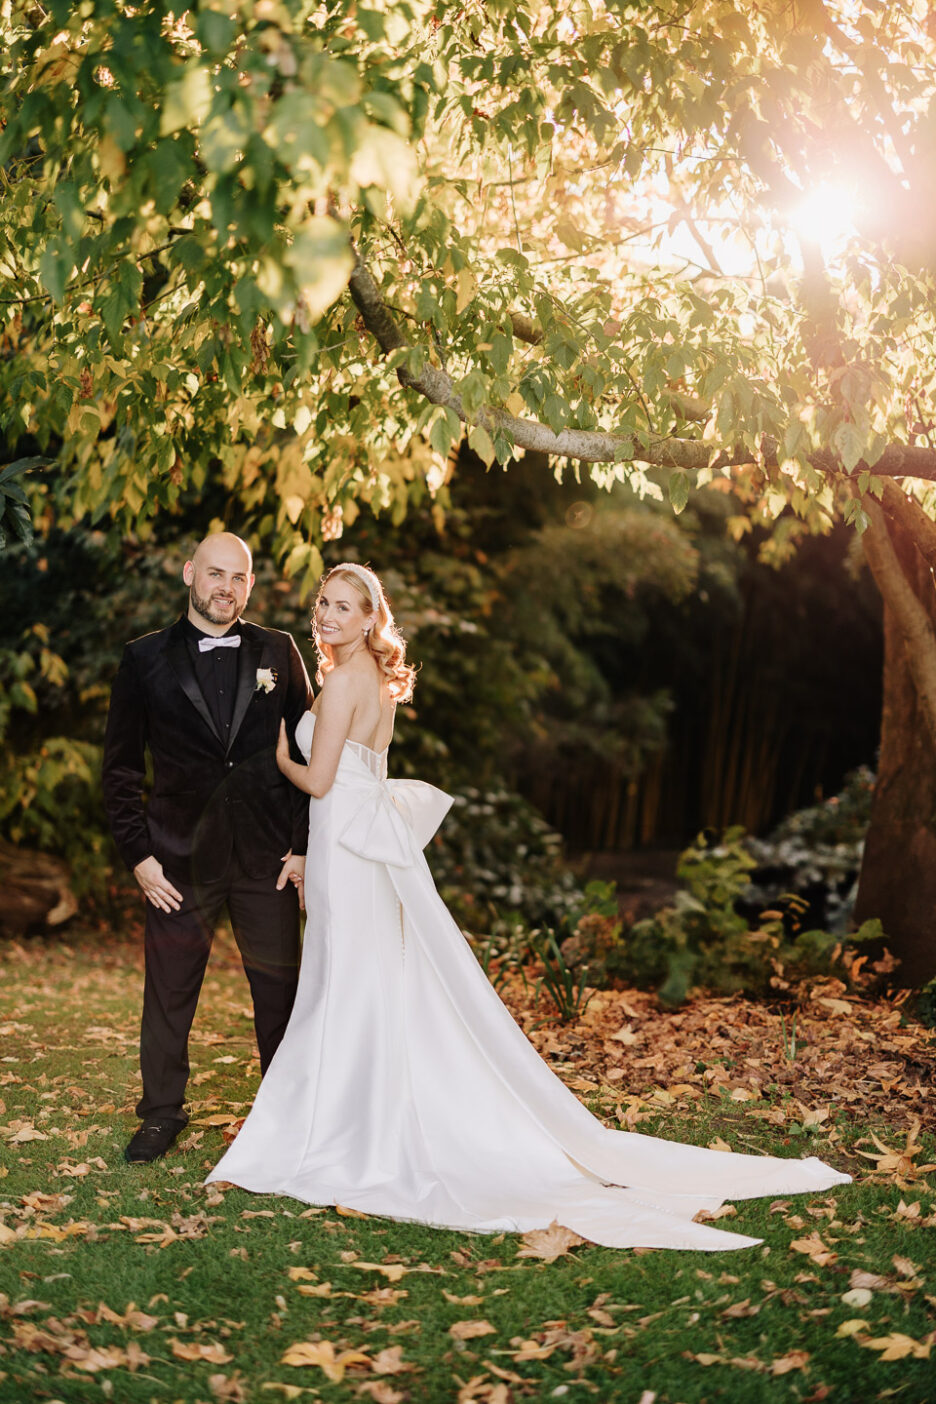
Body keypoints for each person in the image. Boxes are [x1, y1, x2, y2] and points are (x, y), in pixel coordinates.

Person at [207, 562, 850, 1250]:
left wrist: (279, 751)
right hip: (362, 854)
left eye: (342, 607)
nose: (325, 615)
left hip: (348, 850)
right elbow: (368, 775)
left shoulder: (340, 685)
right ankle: (353, 1118)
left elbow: (322, 779)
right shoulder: (381, 688)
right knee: (367, 982)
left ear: (370, 619)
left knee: (349, 983)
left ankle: (345, 1131)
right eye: (321, 603)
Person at [102, 532, 313, 1164]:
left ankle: (288, 1116)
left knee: (280, 995)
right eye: (215, 573)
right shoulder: (143, 660)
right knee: (168, 994)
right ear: (190, 572)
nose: (226, 587)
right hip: (175, 863)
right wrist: (139, 857)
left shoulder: (281, 650)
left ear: (250, 585)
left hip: (267, 861)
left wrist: (302, 848)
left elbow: (307, 754)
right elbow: (119, 771)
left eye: (239, 577)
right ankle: (161, 1115)